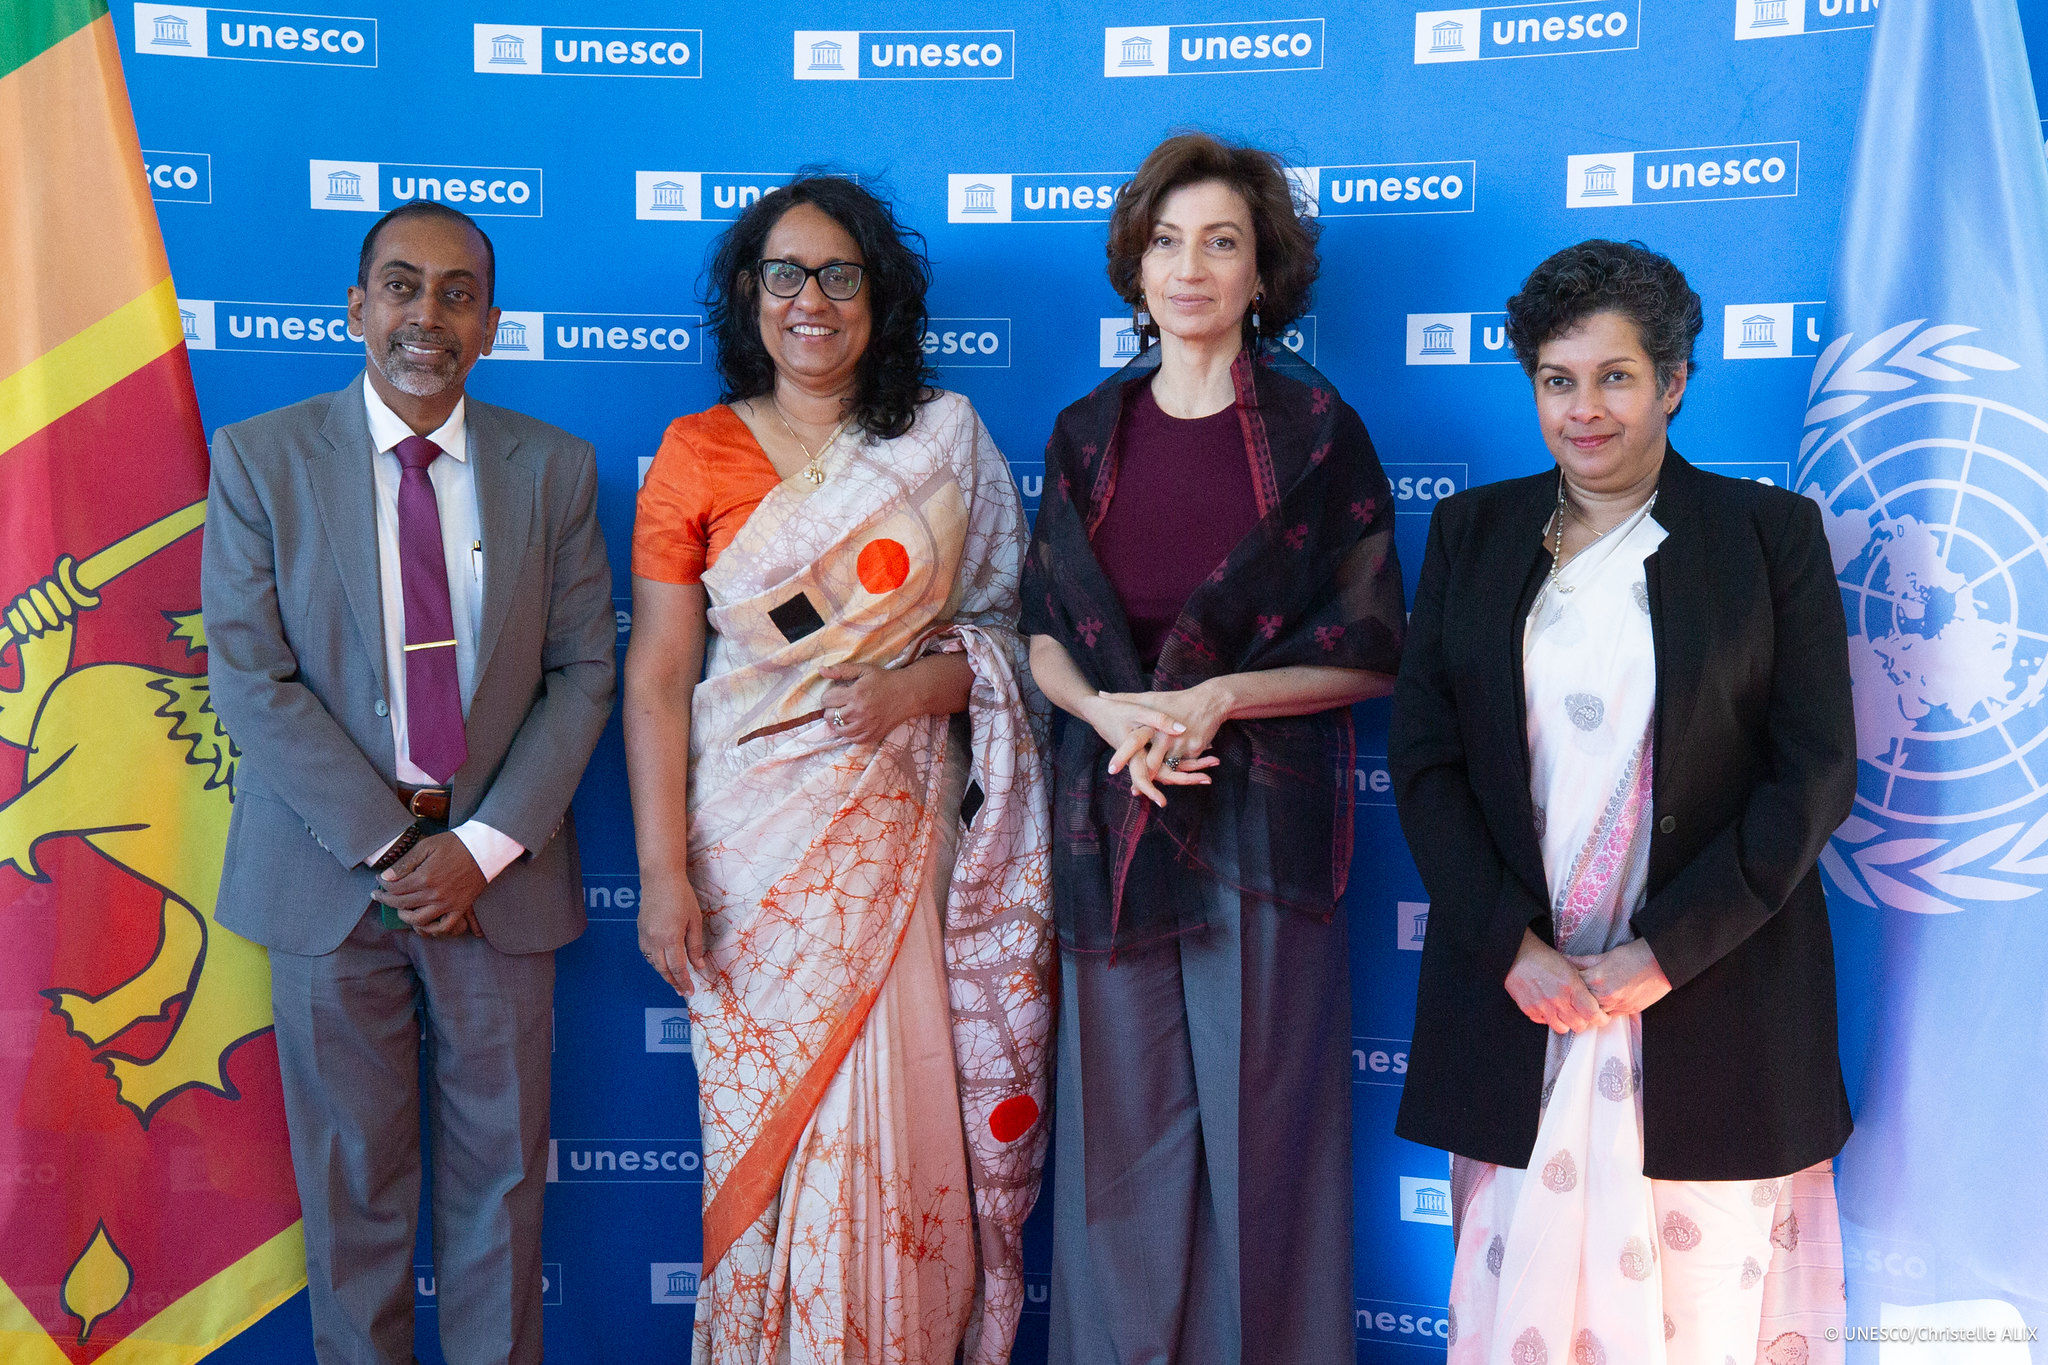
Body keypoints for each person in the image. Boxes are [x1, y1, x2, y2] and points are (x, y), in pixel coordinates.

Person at [1390, 239, 1854, 1364]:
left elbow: (1813, 773)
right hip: (1520, 1003)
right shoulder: (1472, 535)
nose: (1583, 410)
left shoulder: (1766, 538)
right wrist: (1510, 947)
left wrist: (1664, 953)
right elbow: (1425, 761)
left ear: (1674, 381)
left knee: (1700, 1320)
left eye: (1614, 377)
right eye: (1557, 380)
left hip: (1712, 997)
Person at [625, 175, 1052, 1365]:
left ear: (879, 296)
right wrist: (661, 874)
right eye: (783, 274)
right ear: (747, 294)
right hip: (748, 856)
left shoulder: (942, 443)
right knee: (763, 1133)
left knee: (902, 1113)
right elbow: (658, 677)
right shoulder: (695, 453)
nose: (808, 301)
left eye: (837, 275)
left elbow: (1013, 647)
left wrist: (913, 691)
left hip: (899, 835)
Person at [201, 200, 615, 1363]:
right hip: (331, 887)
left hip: (498, 881)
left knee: (502, 1192)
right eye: (400, 286)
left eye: (455, 293)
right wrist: (395, 853)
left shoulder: (556, 469)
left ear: (490, 325)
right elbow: (250, 679)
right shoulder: (261, 459)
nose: (425, 314)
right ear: (356, 308)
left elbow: (584, 672)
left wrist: (476, 850)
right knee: (353, 1203)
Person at [1022, 133, 1406, 1363]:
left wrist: (1221, 697)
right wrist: (1108, 715)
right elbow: (1040, 635)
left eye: (1220, 242)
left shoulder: (1316, 432)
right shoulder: (1086, 433)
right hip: (1111, 813)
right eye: (1167, 241)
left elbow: (1370, 648)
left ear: (1260, 272)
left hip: (1260, 827)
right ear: (1135, 267)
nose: (1189, 268)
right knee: (1115, 1160)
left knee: (1264, 1148)